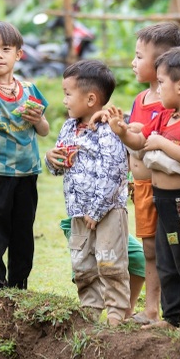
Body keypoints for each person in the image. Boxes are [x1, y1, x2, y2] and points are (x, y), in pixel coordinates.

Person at [107, 46, 180, 328]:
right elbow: (141, 142)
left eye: (162, 82)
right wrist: (122, 132)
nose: (158, 88)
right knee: (166, 261)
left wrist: (162, 143)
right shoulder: (166, 116)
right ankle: (172, 317)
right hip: (162, 201)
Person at [46, 60, 130, 325]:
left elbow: (114, 172)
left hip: (108, 210)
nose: (64, 100)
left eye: (68, 93)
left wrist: (97, 210)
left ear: (91, 99)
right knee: (82, 264)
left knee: (110, 262)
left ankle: (116, 313)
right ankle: (90, 310)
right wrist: (52, 159)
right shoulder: (68, 127)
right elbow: (60, 165)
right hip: (78, 211)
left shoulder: (108, 129)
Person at [0, 21, 50, 295]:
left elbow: (44, 130)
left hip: (28, 173)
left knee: (23, 234)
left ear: (18, 54)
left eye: (6, 49)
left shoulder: (30, 90)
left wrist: (38, 119)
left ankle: (20, 288)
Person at [124, 23, 180, 325]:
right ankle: (151, 308)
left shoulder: (173, 105)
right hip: (141, 186)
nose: (133, 62)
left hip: (169, 189)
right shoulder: (139, 100)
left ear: (164, 62)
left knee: (178, 248)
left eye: (139, 57)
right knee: (150, 247)